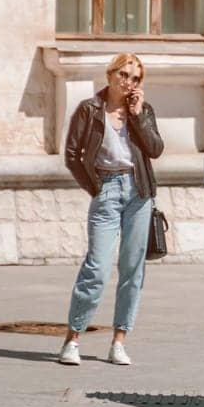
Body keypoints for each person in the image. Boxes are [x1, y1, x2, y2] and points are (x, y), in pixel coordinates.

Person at [57, 53, 164, 367]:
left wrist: (138, 115)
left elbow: (155, 150)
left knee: (132, 270)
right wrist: (95, 187)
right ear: (110, 74)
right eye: (124, 74)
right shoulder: (89, 110)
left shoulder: (143, 111)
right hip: (107, 190)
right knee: (97, 268)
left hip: (139, 193)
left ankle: (119, 340)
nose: (128, 82)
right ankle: (72, 339)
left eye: (135, 78)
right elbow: (72, 154)